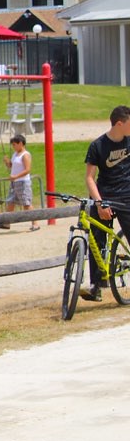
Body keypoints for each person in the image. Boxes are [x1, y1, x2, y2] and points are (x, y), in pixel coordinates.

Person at [82, 105, 130, 301]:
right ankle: (97, 285)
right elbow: (89, 178)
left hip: (127, 196)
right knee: (97, 239)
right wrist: (99, 203)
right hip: (105, 196)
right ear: (119, 124)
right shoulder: (98, 146)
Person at [1, 134, 39, 231]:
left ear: (21, 143)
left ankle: (35, 223)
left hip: (23, 182)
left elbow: (27, 170)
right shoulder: (15, 154)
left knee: (26, 204)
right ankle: (6, 223)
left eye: (14, 144)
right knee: (10, 202)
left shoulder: (25, 155)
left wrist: (15, 176)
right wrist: (7, 162)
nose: (13, 147)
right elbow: (12, 166)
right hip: (14, 183)